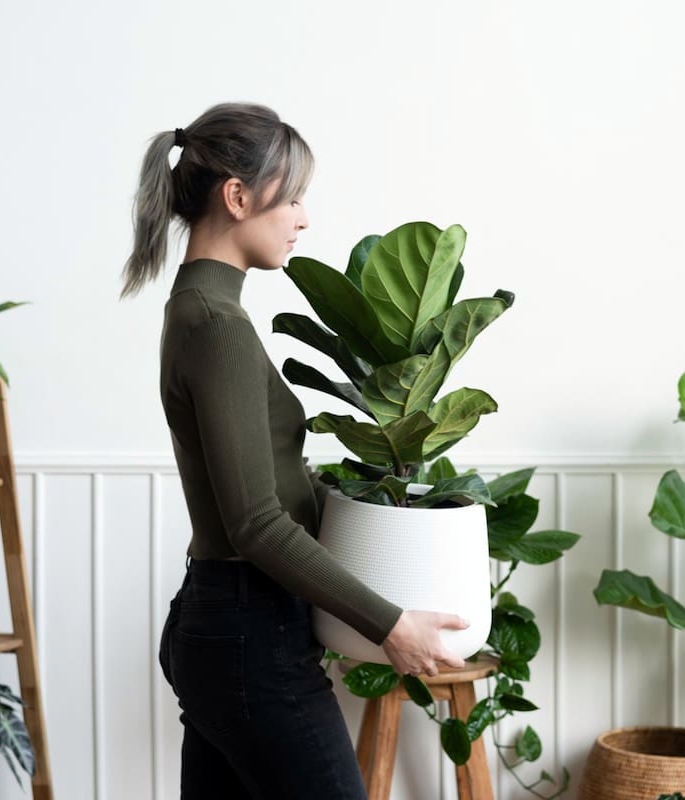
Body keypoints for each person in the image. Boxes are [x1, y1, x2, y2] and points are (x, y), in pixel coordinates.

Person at [120, 102, 468, 799]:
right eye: (294, 196)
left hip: (225, 626)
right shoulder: (216, 323)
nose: (304, 218)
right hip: (250, 638)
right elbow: (255, 523)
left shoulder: (199, 310)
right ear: (237, 196)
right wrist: (391, 625)